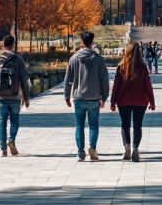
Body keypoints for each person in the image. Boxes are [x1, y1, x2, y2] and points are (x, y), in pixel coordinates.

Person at [64, 30, 110, 161]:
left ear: (82, 41)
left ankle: (80, 151)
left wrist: (66, 96)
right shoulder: (98, 59)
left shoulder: (74, 58)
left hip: (78, 97)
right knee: (93, 125)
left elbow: (68, 80)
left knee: (79, 125)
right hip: (94, 98)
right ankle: (92, 148)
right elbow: (104, 79)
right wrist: (104, 97)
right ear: (92, 42)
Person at [0, 35, 32, 157]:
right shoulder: (18, 60)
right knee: (15, 120)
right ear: (13, 44)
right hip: (15, 96)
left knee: (2, 121)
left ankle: (3, 149)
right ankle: (11, 140)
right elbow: (23, 80)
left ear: (3, 44)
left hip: (0, 96)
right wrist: (26, 98)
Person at [110, 40, 156, 161]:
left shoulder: (121, 67)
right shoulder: (143, 67)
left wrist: (112, 101)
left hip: (123, 100)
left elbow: (116, 86)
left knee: (125, 125)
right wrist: (152, 101)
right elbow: (148, 85)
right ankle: (136, 148)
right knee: (137, 126)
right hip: (140, 100)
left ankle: (127, 148)